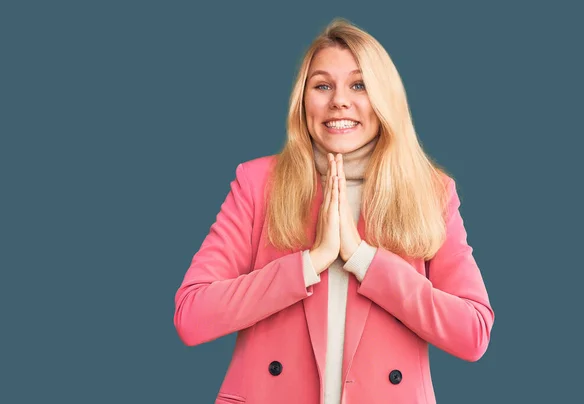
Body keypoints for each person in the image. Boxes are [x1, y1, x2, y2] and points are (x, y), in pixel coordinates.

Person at [174, 18, 494, 404]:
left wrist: (363, 258)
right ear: (303, 100)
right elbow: (192, 317)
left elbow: (473, 333)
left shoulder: (430, 192)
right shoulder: (258, 184)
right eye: (322, 85)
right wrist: (310, 262)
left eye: (359, 85)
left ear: (384, 99)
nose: (339, 100)